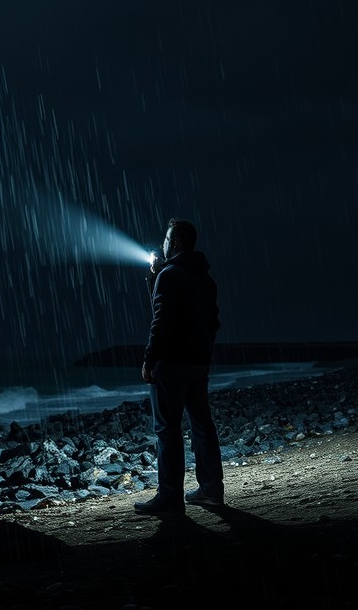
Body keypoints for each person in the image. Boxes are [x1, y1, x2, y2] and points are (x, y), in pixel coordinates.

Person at [134, 218, 223, 514]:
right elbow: (213, 322)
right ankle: (211, 490)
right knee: (202, 425)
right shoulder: (205, 279)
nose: (163, 244)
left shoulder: (169, 275)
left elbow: (160, 320)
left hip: (171, 364)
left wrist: (149, 359)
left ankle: (170, 496)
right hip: (198, 363)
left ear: (174, 244)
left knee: (167, 429)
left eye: (166, 239)